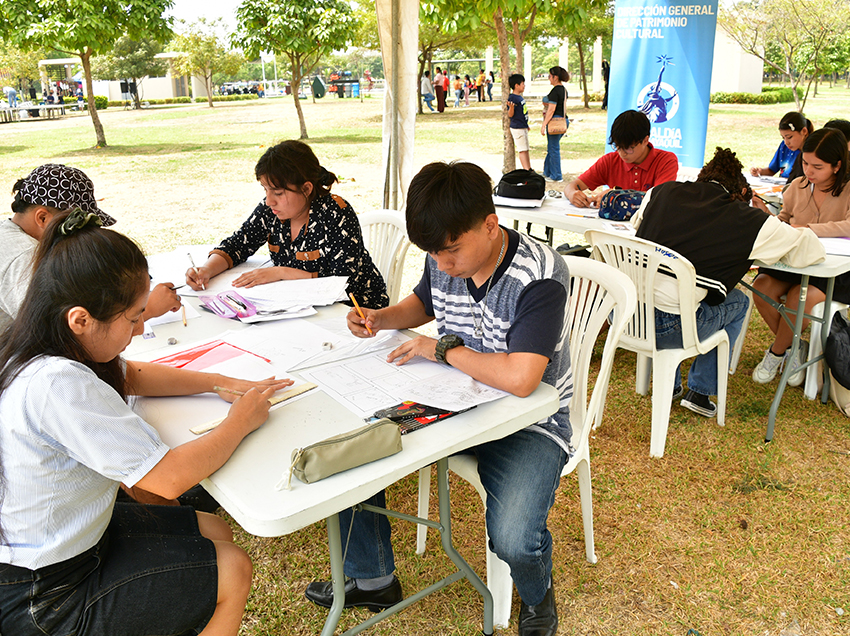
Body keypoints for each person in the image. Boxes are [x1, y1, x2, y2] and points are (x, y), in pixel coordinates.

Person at [307, 161, 573, 636]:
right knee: (349, 445)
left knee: (514, 538)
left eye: (450, 251)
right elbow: (424, 303)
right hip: (449, 402)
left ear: (490, 225)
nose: (442, 264)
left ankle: (537, 595)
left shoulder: (540, 273)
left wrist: (442, 349)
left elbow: (521, 379)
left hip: (526, 423)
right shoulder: (444, 252)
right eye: (433, 253)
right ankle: (371, 577)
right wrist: (381, 318)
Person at [0, 208, 292, 636]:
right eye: (134, 318)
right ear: (81, 319)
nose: (139, 330)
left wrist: (216, 381)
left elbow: (130, 374)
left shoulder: (42, 342)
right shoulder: (58, 384)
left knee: (214, 529)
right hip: (43, 591)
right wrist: (240, 421)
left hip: (71, 542)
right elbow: (169, 479)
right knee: (232, 568)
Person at [632, 147, 825, 415]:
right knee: (739, 302)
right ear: (742, 192)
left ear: (702, 177)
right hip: (670, 327)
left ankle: (671, 384)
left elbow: (636, 226)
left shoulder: (660, 192)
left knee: (670, 289)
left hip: (627, 314)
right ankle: (700, 391)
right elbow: (810, 250)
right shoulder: (748, 219)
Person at [186, 140, 388, 309]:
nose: (269, 201)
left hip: (355, 311)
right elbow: (238, 244)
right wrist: (206, 270)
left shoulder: (335, 213)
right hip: (300, 307)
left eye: (278, 193)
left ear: (306, 188)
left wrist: (281, 272)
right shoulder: (271, 211)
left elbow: (342, 281)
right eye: (265, 190)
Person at [1, 164, 181, 334]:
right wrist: (145, 310)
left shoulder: (13, 234)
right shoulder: (24, 257)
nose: (80, 236)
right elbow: (52, 333)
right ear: (42, 218)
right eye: (74, 225)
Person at [751, 127, 850, 386]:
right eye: (805, 163)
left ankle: (777, 352)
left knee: (799, 296)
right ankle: (795, 348)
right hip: (795, 261)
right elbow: (784, 221)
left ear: (837, 166)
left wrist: (806, 229)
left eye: (817, 167)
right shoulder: (796, 186)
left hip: (833, 269)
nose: (809, 171)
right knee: (760, 287)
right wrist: (767, 217)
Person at [563, 109, 678, 207]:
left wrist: (615, 196)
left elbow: (658, 197)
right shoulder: (610, 161)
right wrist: (572, 193)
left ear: (645, 140)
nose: (622, 153)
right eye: (617, 146)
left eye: (628, 148)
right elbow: (573, 185)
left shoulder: (666, 160)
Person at [750, 111, 813, 181]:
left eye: (789, 137)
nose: (786, 142)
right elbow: (772, 170)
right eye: (783, 138)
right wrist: (761, 172)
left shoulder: (813, 151)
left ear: (804, 131)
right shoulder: (784, 147)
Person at [541, 66, 569, 182]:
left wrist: (544, 124)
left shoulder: (555, 91)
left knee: (553, 149)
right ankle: (547, 172)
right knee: (551, 148)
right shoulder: (563, 90)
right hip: (563, 120)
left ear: (555, 77)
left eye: (550, 76)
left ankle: (556, 176)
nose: (549, 78)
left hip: (555, 122)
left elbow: (551, 110)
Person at [507, 73, 532, 170]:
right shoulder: (512, 98)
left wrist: (526, 125)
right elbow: (510, 114)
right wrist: (511, 107)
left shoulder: (520, 97)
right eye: (522, 84)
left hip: (522, 126)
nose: (524, 86)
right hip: (517, 127)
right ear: (516, 85)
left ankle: (529, 168)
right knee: (522, 150)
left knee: (526, 149)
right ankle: (526, 169)